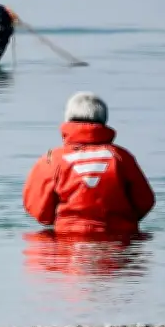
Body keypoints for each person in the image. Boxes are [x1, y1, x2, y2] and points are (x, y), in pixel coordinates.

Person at [22, 91, 156, 234]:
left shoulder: (50, 160)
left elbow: (39, 210)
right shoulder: (121, 157)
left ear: (67, 120)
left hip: (67, 242)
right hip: (119, 240)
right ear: (104, 120)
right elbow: (145, 201)